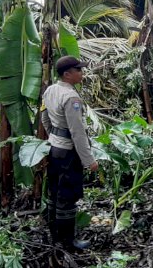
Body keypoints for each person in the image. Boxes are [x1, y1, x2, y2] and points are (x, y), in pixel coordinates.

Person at [41, 56, 99, 252]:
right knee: (67, 195)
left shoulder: (50, 90)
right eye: (78, 70)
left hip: (54, 148)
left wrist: (53, 136)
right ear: (67, 74)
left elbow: (44, 116)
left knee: (54, 192)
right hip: (68, 152)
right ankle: (68, 241)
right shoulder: (71, 97)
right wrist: (88, 160)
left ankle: (53, 234)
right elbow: (77, 132)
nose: (81, 73)